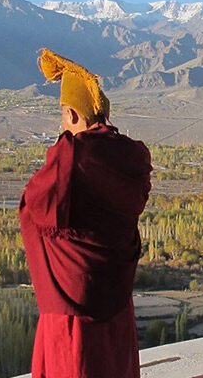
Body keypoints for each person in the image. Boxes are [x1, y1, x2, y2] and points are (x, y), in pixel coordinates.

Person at [20, 49, 152, 378]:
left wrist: (64, 152)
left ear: (74, 116)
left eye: (64, 117)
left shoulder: (72, 159)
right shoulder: (131, 158)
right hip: (117, 308)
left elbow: (35, 206)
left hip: (73, 315)